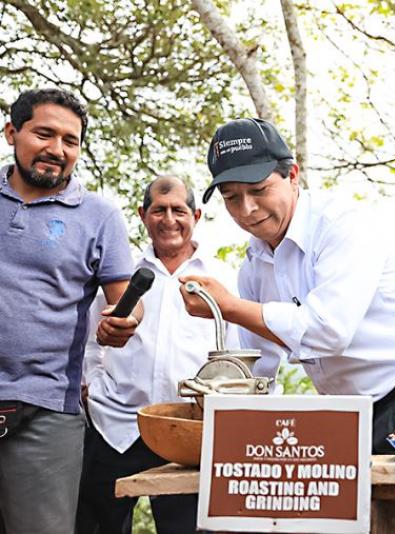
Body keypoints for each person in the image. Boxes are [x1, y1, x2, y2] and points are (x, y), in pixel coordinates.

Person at [178, 118, 395, 534]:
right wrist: (229, 417)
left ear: (292, 175)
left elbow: (329, 331)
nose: (247, 210)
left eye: (259, 190)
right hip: (345, 415)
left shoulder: (343, 226)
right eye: (231, 197)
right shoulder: (255, 261)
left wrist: (227, 307)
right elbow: (259, 366)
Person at [0, 88, 140, 534]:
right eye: (44, 134)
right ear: (12, 132)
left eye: (70, 141)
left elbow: (126, 302)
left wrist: (124, 321)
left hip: (48, 410)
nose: (57, 150)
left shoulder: (100, 216)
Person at [76, 176, 240, 533]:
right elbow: (91, 341)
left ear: (196, 216)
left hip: (188, 432)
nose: (169, 220)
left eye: (178, 210)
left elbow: (236, 354)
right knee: (95, 524)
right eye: (158, 210)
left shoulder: (221, 279)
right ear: (142, 215)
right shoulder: (121, 275)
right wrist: (96, 386)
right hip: (117, 423)